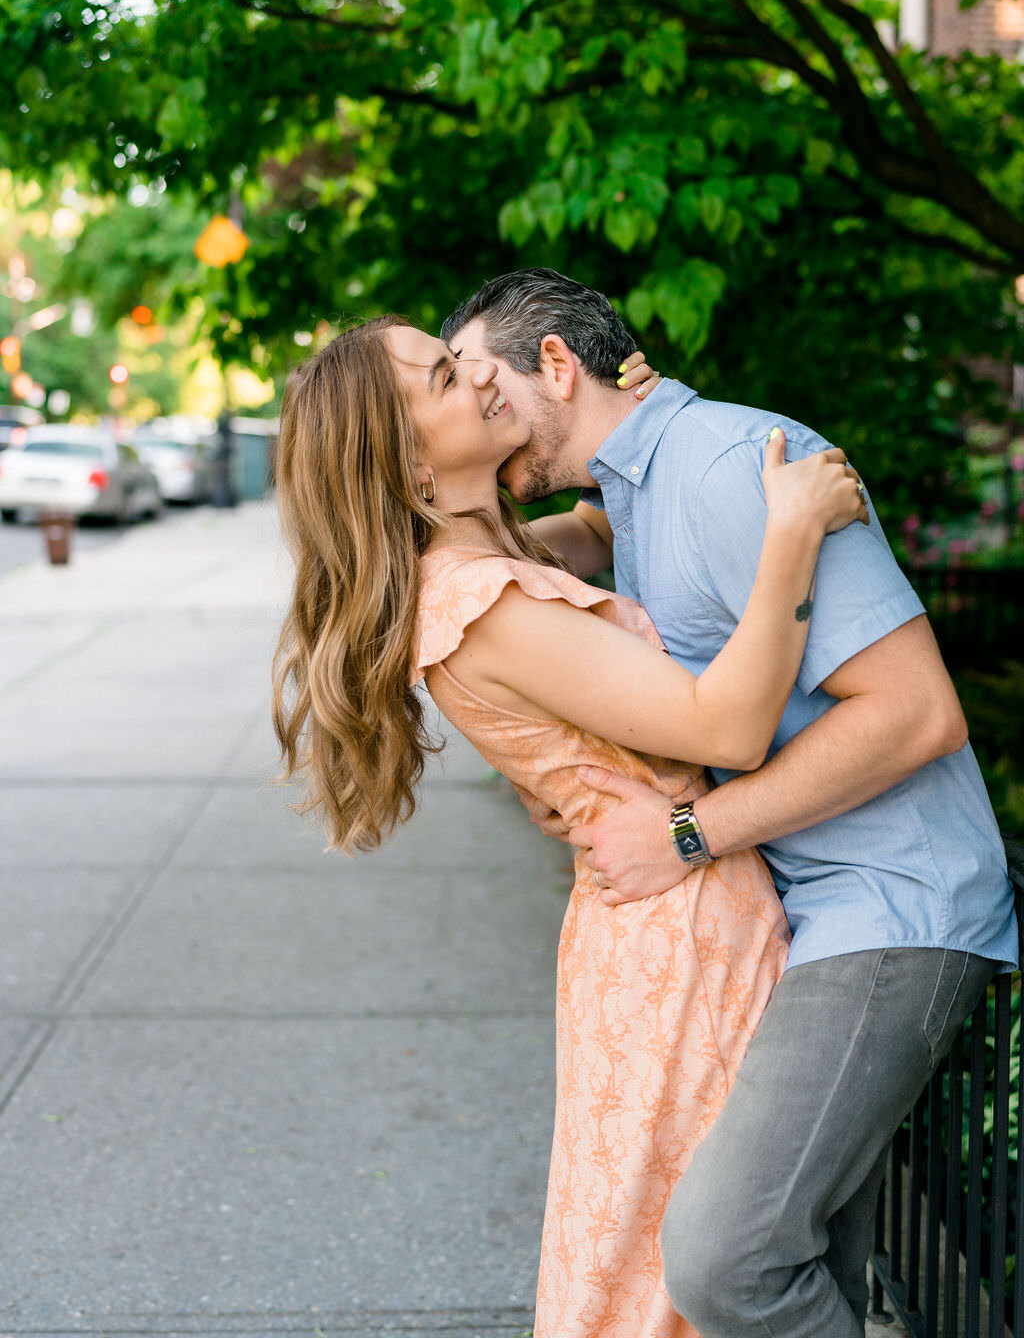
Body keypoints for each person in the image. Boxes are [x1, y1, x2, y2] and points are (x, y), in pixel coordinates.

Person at [439, 267, 1018, 1338]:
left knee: (725, 1261)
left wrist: (686, 834)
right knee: (805, 1267)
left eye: (485, 387)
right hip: (791, 915)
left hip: (886, 906)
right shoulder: (633, 495)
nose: (474, 412)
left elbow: (916, 715)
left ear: (555, 364)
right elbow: (511, 576)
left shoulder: (725, 467)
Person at [271, 314, 869, 1338]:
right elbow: (726, 723)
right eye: (449, 377)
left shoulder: (486, 556)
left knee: (667, 1246)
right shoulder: (478, 603)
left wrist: (635, 402)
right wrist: (788, 534)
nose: (486, 379)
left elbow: (595, 528)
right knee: (666, 1278)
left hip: (671, 918)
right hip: (673, 938)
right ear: (410, 466)